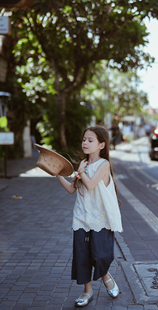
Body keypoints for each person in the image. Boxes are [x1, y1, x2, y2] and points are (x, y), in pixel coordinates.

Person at [56, 125, 123, 307]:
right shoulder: (83, 166)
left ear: (101, 145)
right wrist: (57, 174)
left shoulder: (103, 164)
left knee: (100, 255)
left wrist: (80, 171)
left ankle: (105, 275)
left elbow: (91, 184)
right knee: (82, 256)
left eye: (90, 140)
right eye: (84, 139)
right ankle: (87, 291)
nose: (85, 143)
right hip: (81, 218)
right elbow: (72, 189)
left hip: (100, 218)